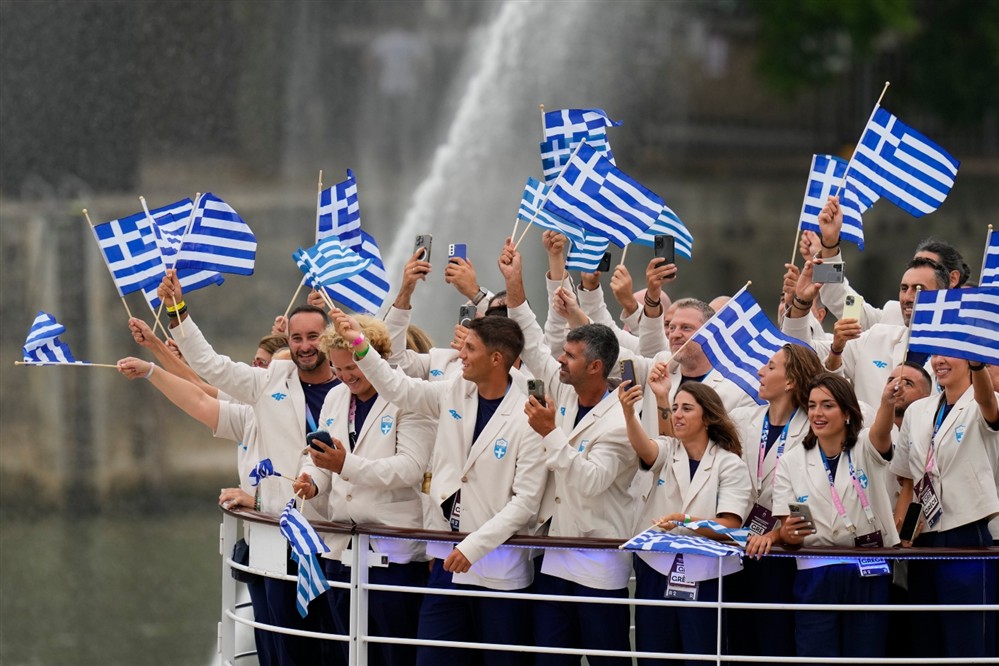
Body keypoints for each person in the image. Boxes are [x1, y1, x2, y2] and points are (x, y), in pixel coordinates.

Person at [331, 308, 546, 666]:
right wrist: (359, 342)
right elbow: (399, 388)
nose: (460, 353)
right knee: (430, 659)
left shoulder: (530, 413)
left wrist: (473, 546)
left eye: (470, 348)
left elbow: (525, 502)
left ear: (496, 358)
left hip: (499, 573)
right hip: (447, 562)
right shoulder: (454, 391)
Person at [157, 270, 338, 665]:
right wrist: (177, 310)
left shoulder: (353, 385)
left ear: (329, 338)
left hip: (337, 541)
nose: (305, 346)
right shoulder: (271, 379)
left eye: (313, 337)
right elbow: (211, 366)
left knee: (333, 648)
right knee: (280, 646)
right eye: (297, 338)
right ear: (288, 342)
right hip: (279, 537)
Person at [500, 239, 638, 666]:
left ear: (596, 367)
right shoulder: (563, 387)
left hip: (599, 562)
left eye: (571, 356)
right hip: (556, 553)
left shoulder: (621, 421)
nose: (560, 361)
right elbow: (530, 343)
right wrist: (514, 282)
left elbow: (593, 481)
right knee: (549, 661)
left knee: (606, 661)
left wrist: (550, 433)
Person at [292, 316, 435, 666]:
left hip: (394, 554)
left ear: (375, 355)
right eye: (338, 370)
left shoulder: (410, 395)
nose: (346, 377)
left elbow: (411, 468)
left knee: (394, 653)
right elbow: (321, 457)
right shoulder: (336, 397)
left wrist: (344, 466)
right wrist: (311, 481)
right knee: (350, 653)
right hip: (344, 551)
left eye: (352, 367)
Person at [619, 377, 752, 666]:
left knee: (702, 657)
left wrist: (685, 521)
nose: (677, 414)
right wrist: (629, 414)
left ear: (708, 417)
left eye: (687, 409)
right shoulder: (668, 449)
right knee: (654, 656)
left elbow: (729, 525)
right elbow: (645, 448)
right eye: (675, 407)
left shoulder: (729, 463)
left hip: (707, 576)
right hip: (656, 570)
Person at [771, 373, 898, 660]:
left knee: (865, 654)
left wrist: (887, 403)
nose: (817, 413)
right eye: (813, 405)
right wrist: (789, 534)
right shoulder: (791, 460)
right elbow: (785, 528)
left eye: (827, 405)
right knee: (816, 655)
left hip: (868, 567)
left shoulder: (866, 446)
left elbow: (881, 431)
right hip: (816, 570)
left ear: (848, 413)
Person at [890, 355, 998, 658]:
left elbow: (988, 404)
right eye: (935, 354)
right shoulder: (918, 410)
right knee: (927, 639)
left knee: (967, 639)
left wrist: (979, 368)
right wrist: (903, 523)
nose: (939, 360)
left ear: (970, 359)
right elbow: (908, 478)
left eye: (948, 353)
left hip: (967, 535)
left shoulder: (984, 402)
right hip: (924, 539)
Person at [730, 343, 823, 658]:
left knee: (775, 642)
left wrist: (781, 532)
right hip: (739, 546)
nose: (760, 371)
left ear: (791, 381)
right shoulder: (741, 418)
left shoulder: (813, 425)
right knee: (739, 641)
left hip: (784, 552)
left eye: (770, 366)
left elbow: (813, 490)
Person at [783, 255, 948, 407]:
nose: (907, 298)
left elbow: (838, 296)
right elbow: (800, 355)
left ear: (944, 297)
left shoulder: (960, 359)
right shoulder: (875, 337)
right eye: (904, 288)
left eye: (919, 289)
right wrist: (802, 302)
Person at [798, 196, 970, 328]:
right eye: (915, 265)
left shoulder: (969, 330)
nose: (909, 296)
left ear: (952, 279)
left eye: (928, 266)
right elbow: (841, 300)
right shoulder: (892, 316)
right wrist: (829, 247)